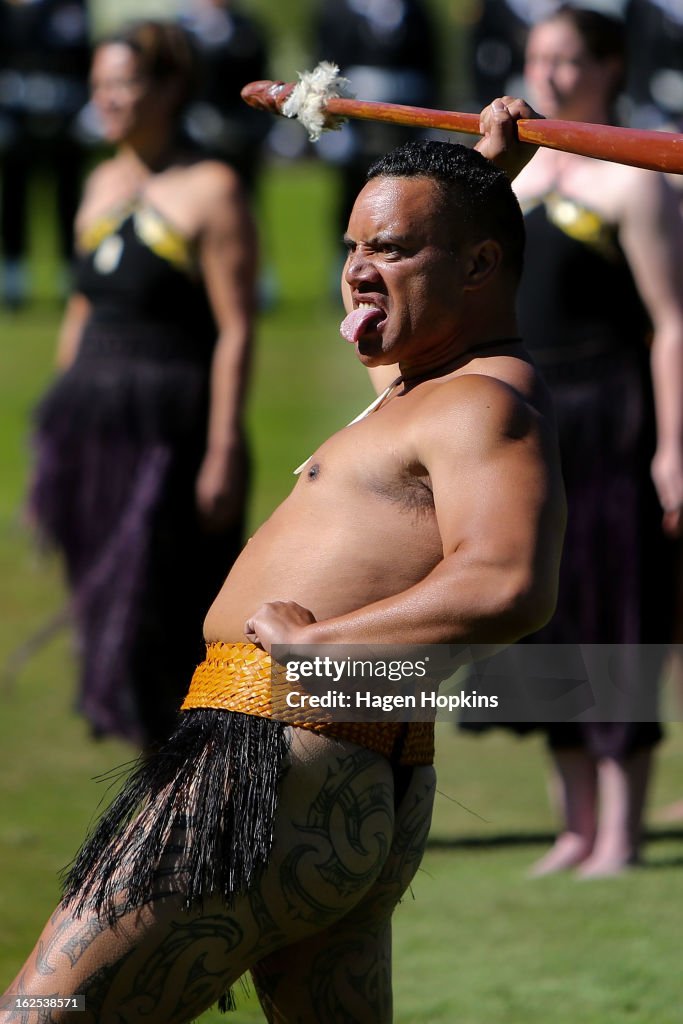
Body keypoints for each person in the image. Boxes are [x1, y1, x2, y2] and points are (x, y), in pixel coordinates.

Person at [2, 102, 565, 1022]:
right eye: (352, 247)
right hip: (327, 768)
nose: (353, 271)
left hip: (278, 750)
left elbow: (507, 583)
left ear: (478, 266)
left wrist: (324, 646)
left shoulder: (478, 405)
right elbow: (429, 298)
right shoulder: (428, 384)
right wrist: (481, 177)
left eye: (385, 250)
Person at [28, 20, 258, 749]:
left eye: (123, 83)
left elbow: (236, 328)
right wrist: (57, 433)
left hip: (171, 420)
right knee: (108, 612)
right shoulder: (98, 183)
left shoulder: (212, 188)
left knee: (172, 608)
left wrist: (222, 447)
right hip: (94, 415)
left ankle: (202, 784)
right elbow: (82, 307)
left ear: (169, 87)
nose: (107, 100)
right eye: (99, 85)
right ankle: (150, 785)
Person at [502, 4, 683, 877]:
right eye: (540, 60)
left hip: (613, 420)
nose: (553, 77)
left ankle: (621, 828)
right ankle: (571, 825)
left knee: (617, 617)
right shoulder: (511, 186)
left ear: (609, 68)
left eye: (571, 61)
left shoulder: (633, 180)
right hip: (528, 425)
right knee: (547, 620)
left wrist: (672, 449)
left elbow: (670, 326)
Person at [0, 0, 91, 307]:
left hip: (64, 119)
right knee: (14, 196)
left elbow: (83, 57)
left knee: (68, 198)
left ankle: (70, 276)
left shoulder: (71, 6)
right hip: (17, 119)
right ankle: (14, 277)